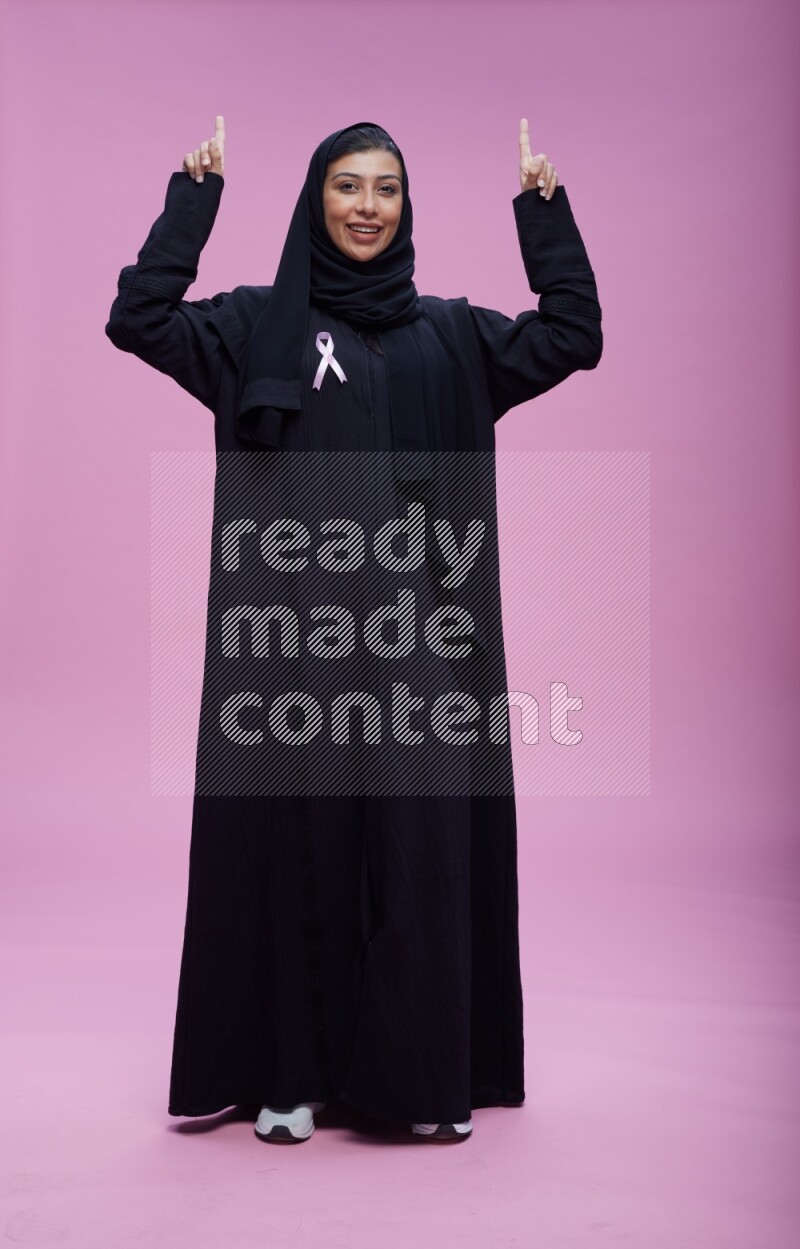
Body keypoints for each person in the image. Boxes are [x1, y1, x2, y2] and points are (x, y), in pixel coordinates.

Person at [105, 116, 603, 1145]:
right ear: (315, 201)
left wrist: (543, 214)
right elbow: (139, 318)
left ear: (404, 206)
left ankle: (419, 1084)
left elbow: (570, 333)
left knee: (418, 850)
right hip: (293, 652)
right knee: (300, 850)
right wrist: (190, 203)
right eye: (346, 186)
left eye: (384, 188)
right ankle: (286, 1076)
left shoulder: (448, 333)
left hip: (422, 647)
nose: (366, 206)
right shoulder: (254, 328)